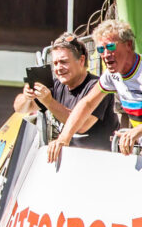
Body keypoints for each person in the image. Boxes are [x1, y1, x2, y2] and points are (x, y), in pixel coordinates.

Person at [48, 20, 140, 161]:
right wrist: (63, 138)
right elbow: (87, 103)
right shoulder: (111, 76)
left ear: (128, 45)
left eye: (110, 46)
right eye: (101, 50)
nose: (106, 54)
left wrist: (137, 131)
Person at [15, 32, 119, 151]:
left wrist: (49, 102)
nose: (58, 68)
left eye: (63, 62)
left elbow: (82, 126)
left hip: (101, 161)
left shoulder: (98, 87)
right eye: (55, 63)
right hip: (71, 160)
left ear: (81, 60)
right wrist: (27, 96)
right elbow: (20, 108)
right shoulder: (56, 85)